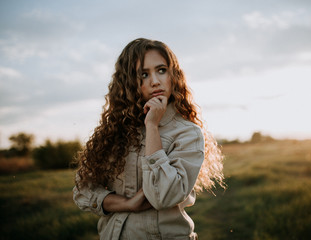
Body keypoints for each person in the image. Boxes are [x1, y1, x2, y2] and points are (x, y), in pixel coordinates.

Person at [73, 38, 225, 240]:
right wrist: (127, 204)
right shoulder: (114, 131)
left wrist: (152, 126)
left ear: (174, 75)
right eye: (144, 75)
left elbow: (164, 196)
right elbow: (82, 192)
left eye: (161, 70)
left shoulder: (187, 133)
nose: (155, 81)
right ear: (129, 82)